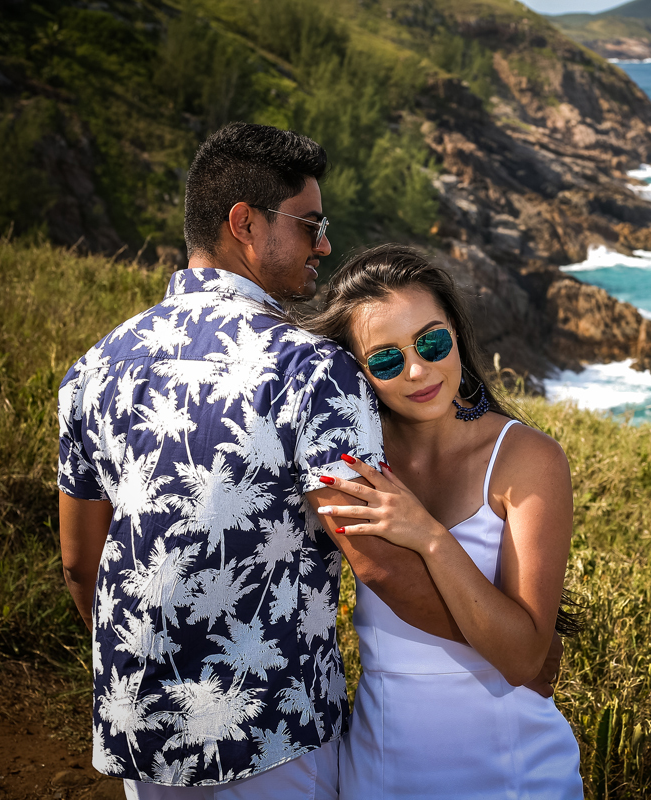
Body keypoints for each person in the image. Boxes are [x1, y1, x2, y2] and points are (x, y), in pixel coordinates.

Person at [57, 124, 534, 799]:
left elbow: (81, 562)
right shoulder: (311, 369)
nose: (326, 244)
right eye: (310, 224)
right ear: (245, 224)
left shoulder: (92, 369)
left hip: (139, 723)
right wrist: (511, 652)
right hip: (273, 731)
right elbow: (375, 560)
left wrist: (156, 665)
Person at [308, 244, 584, 799]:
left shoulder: (529, 460)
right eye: (386, 360)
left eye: (431, 341)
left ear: (456, 332)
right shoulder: (349, 462)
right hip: (380, 767)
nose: (417, 370)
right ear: (358, 371)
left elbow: (525, 657)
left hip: (515, 771)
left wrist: (430, 536)